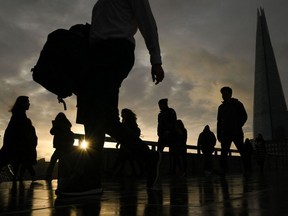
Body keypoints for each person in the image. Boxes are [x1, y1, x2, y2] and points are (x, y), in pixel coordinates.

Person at [56, 0, 164, 196]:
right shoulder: (99, 4)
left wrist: (155, 59)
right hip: (96, 55)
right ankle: (148, 158)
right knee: (108, 120)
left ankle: (90, 178)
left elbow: (147, 21)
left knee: (93, 113)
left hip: (116, 50)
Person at [2, 96, 38, 181]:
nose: (29, 104)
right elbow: (19, 130)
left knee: (18, 159)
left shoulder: (19, 114)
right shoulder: (20, 115)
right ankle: (30, 175)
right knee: (22, 158)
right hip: (18, 142)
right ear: (22, 103)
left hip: (17, 141)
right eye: (27, 102)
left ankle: (18, 177)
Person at [217, 87, 248, 175]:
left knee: (242, 151)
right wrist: (219, 134)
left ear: (230, 94)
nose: (223, 96)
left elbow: (244, 116)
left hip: (236, 132)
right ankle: (223, 170)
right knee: (224, 152)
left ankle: (247, 169)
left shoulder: (238, 104)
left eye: (225, 93)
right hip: (225, 133)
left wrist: (237, 125)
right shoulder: (221, 107)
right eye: (222, 94)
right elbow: (219, 121)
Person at [113, 108, 144, 177]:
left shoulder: (128, 123)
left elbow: (126, 134)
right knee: (128, 159)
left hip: (129, 144)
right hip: (127, 144)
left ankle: (114, 171)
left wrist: (119, 142)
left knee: (124, 158)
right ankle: (137, 172)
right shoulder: (127, 122)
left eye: (122, 114)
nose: (121, 115)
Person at [45, 112, 75, 180]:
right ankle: (71, 173)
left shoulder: (58, 126)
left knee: (53, 160)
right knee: (62, 161)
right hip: (66, 147)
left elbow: (52, 132)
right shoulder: (67, 126)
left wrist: (54, 125)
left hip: (60, 147)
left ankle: (48, 175)